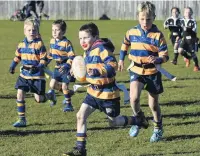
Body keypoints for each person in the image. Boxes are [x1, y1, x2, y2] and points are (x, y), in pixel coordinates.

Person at [63, 22, 148, 156]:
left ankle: (138, 120)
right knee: (80, 116)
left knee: (114, 122)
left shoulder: (102, 49)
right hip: (93, 93)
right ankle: (80, 149)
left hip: (109, 95)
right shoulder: (87, 52)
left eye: (85, 37)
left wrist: (97, 71)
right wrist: (76, 73)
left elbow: (112, 66)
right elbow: (87, 75)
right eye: (80, 38)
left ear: (96, 37)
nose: (82, 41)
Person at [118, 1, 169, 142]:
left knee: (153, 104)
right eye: (142, 19)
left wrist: (158, 59)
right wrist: (121, 60)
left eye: (148, 19)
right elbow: (124, 45)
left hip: (152, 72)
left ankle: (158, 128)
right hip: (136, 70)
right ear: (137, 17)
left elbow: (165, 55)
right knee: (134, 99)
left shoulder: (158, 35)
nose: (145, 22)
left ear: (154, 17)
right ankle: (139, 119)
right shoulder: (131, 32)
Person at [9, 18, 56, 127]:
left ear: (37, 32)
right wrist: (12, 66)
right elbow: (17, 56)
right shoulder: (21, 44)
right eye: (29, 30)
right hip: (24, 75)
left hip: (37, 76)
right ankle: (22, 119)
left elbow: (44, 59)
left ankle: (50, 95)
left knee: (39, 99)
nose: (31, 32)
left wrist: (39, 66)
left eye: (34, 30)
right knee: (20, 94)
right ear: (24, 31)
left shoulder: (39, 45)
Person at [46, 19, 75, 112]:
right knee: (52, 84)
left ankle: (69, 105)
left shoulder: (67, 43)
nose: (54, 32)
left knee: (64, 86)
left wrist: (67, 65)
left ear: (63, 31)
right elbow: (50, 55)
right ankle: (67, 93)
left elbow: (72, 56)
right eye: (52, 30)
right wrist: (45, 62)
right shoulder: (51, 41)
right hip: (57, 67)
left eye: (57, 30)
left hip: (66, 67)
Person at [178, 7, 200, 71]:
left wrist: (187, 29)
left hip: (192, 39)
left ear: (191, 13)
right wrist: (178, 35)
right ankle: (188, 58)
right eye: (186, 12)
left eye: (189, 12)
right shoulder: (181, 20)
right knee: (180, 50)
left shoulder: (193, 21)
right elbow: (179, 29)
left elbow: (194, 31)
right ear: (184, 13)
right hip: (184, 39)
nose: (187, 13)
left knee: (193, 53)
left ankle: (196, 66)